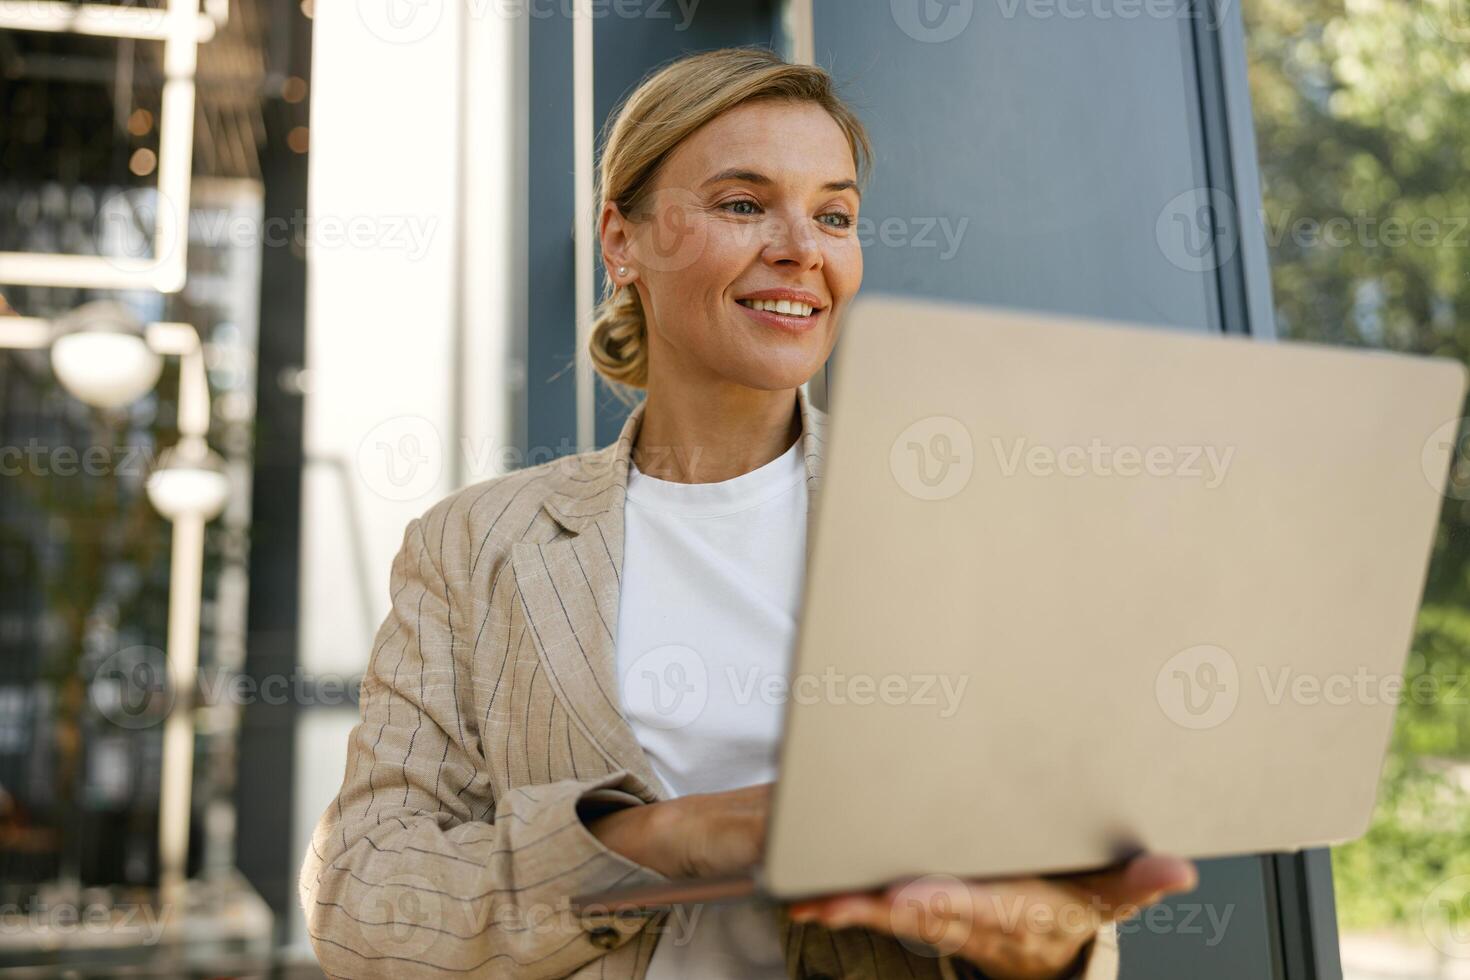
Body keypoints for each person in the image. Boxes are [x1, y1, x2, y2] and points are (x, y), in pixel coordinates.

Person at [300, 46, 1197, 979]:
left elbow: (1038, 881)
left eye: (834, 214)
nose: (803, 250)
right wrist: (681, 837)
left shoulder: (958, 527)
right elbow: (362, 903)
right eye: (742, 204)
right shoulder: (473, 545)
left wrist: (1049, 955)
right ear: (623, 241)